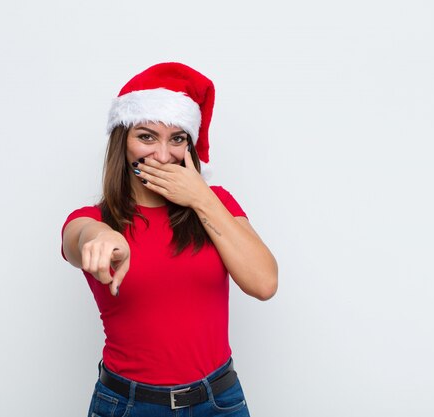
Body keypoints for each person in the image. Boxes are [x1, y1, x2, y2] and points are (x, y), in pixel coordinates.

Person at [61, 62, 278, 416]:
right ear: (122, 143)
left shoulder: (217, 203)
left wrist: (200, 196)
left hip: (218, 402)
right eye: (146, 137)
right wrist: (99, 237)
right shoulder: (95, 220)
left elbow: (264, 283)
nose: (163, 155)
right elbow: (78, 237)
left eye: (177, 139)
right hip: (129, 405)